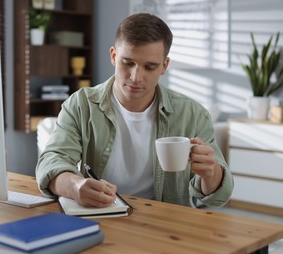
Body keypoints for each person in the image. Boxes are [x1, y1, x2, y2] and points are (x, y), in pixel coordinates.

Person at [36, 13, 233, 208]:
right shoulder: (80, 105)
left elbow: (219, 197)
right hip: (102, 214)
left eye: (150, 67)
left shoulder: (193, 114)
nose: (136, 77)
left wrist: (211, 172)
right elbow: (51, 161)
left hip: (167, 224)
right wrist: (76, 186)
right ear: (113, 56)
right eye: (128, 63)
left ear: (164, 66)